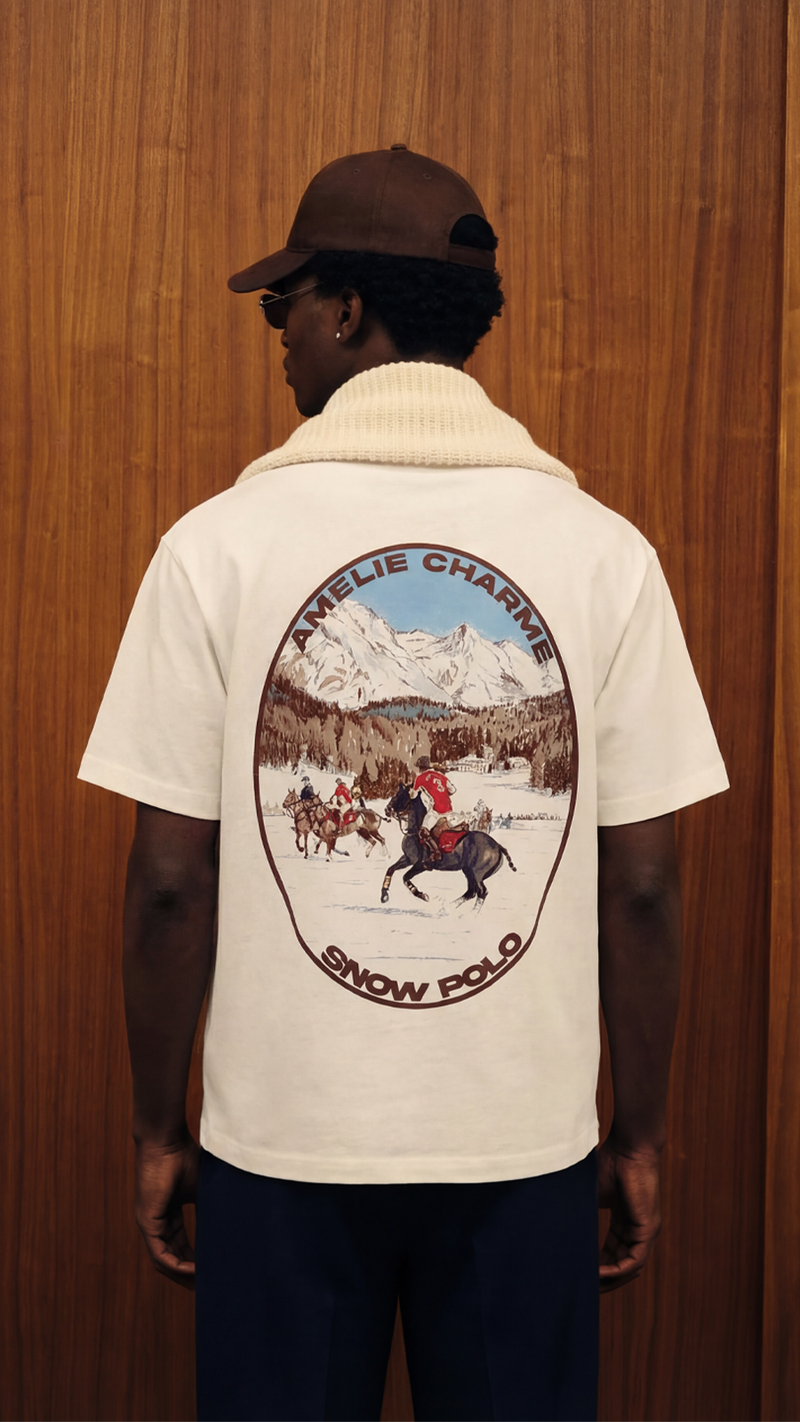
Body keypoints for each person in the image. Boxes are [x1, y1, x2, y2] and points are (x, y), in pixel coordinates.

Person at [79, 145, 728, 1421]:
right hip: (522, 1152)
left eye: (281, 306)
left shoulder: (213, 549)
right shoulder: (606, 556)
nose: (276, 338)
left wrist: (160, 1130)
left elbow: (166, 885)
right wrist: (637, 1135)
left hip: (280, 1151)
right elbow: (643, 887)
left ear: (344, 311)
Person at [411, 755, 463, 862]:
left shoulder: (420, 778)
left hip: (437, 810)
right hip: (449, 809)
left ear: (421, 768)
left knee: (423, 831)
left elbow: (413, 796)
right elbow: (453, 790)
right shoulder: (441, 775)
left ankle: (436, 852)